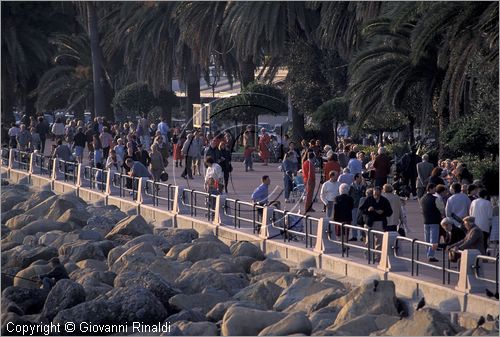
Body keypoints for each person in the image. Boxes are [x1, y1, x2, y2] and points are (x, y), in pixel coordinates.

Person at [359, 186, 393, 255]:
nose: (376, 196)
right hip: (369, 222)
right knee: (369, 241)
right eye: (374, 194)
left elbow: (390, 212)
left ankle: (377, 257)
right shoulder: (369, 199)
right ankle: (369, 256)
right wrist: (368, 209)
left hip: (379, 222)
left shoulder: (384, 200)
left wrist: (383, 212)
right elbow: (362, 209)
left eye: (377, 194)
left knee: (379, 242)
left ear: (380, 193)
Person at [420, 183, 443, 262]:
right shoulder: (435, 199)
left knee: (427, 238)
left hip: (425, 220)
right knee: (434, 239)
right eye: (434, 189)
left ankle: (428, 253)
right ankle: (431, 255)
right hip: (435, 220)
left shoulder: (422, 198)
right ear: (430, 189)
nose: (435, 190)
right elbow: (442, 209)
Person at [349, 173, 366, 241]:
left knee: (361, 222)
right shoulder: (351, 186)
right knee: (354, 222)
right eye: (360, 177)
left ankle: (362, 236)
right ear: (356, 178)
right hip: (354, 206)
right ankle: (354, 236)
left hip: (361, 206)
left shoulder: (363, 186)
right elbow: (349, 195)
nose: (361, 179)